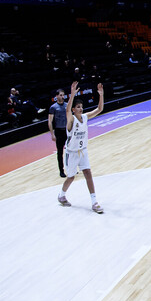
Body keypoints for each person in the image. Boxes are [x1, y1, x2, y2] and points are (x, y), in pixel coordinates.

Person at [57, 81, 105, 213]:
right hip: (71, 153)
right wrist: (72, 94)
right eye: (77, 107)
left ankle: (94, 202)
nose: (80, 108)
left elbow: (99, 109)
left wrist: (101, 94)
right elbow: (67, 110)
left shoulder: (85, 117)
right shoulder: (71, 120)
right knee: (71, 177)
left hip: (83, 151)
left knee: (88, 173)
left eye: (81, 106)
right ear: (73, 109)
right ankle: (61, 195)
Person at [48, 89, 68, 178]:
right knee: (60, 152)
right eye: (60, 95)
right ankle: (61, 171)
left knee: (71, 151)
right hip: (59, 132)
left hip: (67, 131)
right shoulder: (53, 107)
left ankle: (72, 168)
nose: (62, 96)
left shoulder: (67, 105)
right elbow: (50, 121)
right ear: (56, 96)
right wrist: (52, 134)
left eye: (63, 95)